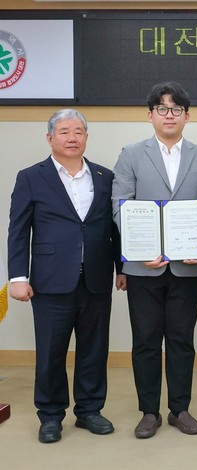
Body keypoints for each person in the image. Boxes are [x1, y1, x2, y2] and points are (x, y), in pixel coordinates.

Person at [7, 109, 123, 443]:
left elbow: (114, 228)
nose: (72, 138)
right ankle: (50, 415)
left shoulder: (105, 177)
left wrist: (122, 268)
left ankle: (89, 410)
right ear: (50, 138)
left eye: (78, 132)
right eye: (64, 132)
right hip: (49, 280)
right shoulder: (31, 177)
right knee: (50, 352)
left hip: (96, 279)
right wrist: (17, 277)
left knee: (94, 349)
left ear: (86, 137)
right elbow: (18, 230)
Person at [111, 82, 197, 439]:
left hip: (187, 266)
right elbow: (120, 206)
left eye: (176, 109)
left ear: (187, 116)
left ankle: (179, 409)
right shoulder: (131, 154)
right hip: (144, 267)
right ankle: (149, 412)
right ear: (150, 115)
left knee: (181, 339)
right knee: (145, 340)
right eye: (162, 109)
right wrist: (142, 248)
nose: (169, 115)